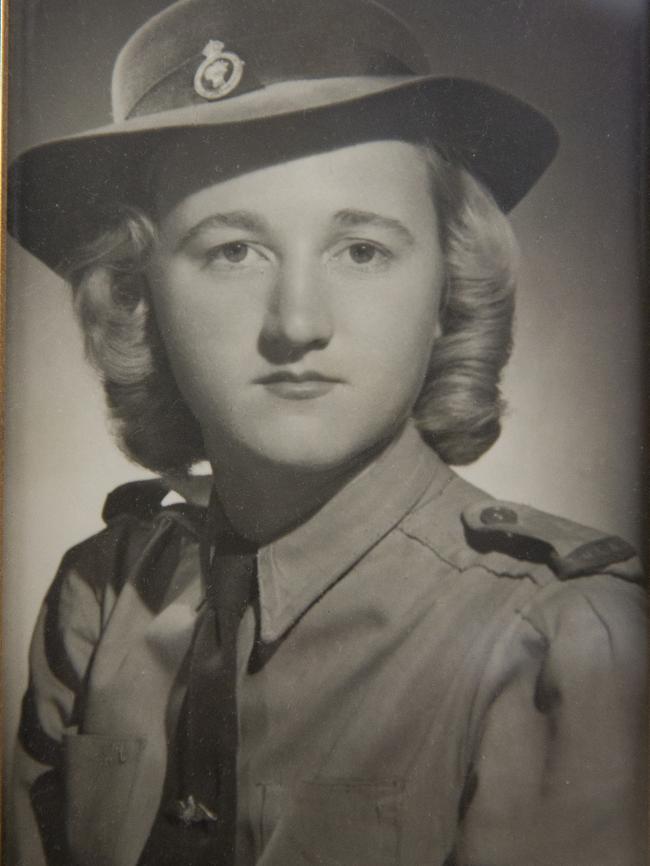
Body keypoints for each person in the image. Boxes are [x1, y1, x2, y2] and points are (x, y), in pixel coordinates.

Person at [6, 0, 646, 864]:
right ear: (139, 298)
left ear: (446, 292)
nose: (297, 323)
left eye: (363, 251)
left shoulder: (559, 642)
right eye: (233, 250)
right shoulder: (102, 600)